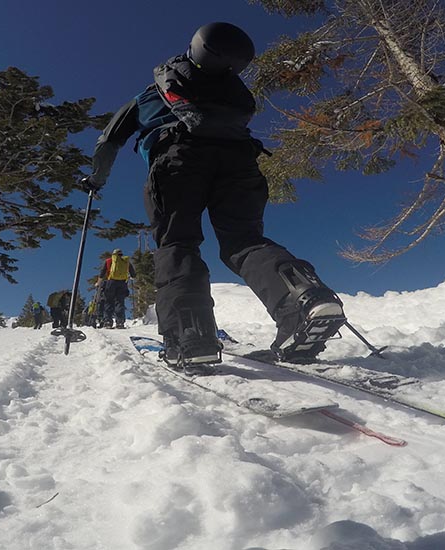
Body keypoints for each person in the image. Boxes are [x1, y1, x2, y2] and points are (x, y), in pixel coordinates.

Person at [81, 22, 345, 365]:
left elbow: (109, 140)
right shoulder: (229, 91)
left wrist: (95, 181)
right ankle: (305, 299)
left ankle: (191, 335)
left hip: (177, 162)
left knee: (178, 242)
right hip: (239, 160)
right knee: (245, 241)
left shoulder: (150, 94)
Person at [99, 249, 136, 329]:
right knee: (120, 302)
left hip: (110, 283)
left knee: (108, 302)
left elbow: (102, 272)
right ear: (121, 254)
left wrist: (98, 282)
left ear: (113, 254)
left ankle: (108, 322)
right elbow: (133, 274)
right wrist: (131, 277)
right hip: (122, 283)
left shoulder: (108, 261)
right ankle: (120, 322)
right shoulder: (126, 262)